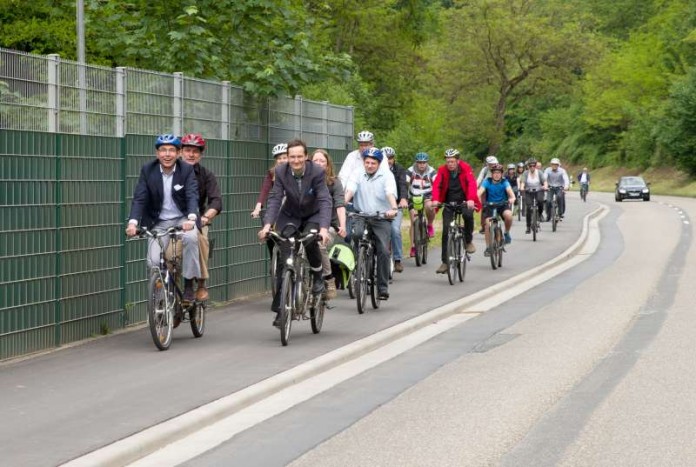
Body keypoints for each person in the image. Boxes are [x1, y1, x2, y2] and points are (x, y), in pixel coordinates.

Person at [258, 139, 332, 327]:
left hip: (313, 215)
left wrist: (323, 228)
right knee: (286, 258)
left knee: (310, 241)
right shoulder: (281, 172)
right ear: (287, 158)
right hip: (289, 215)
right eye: (292, 157)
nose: (296, 160)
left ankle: (317, 278)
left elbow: (324, 200)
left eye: (300, 156)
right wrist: (267, 225)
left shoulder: (316, 171)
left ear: (306, 157)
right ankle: (282, 310)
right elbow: (275, 199)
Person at [125, 134, 201, 302]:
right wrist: (133, 223)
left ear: (179, 153)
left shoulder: (186, 170)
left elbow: (192, 195)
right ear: (157, 153)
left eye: (172, 150)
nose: (167, 154)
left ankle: (189, 284)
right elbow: (139, 198)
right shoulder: (148, 170)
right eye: (163, 150)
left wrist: (191, 218)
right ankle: (162, 298)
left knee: (191, 238)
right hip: (159, 222)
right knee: (153, 262)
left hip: (183, 219)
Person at [344, 147, 399, 300]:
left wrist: (393, 208)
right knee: (356, 235)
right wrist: (343, 203)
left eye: (373, 163)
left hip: (381, 216)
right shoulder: (357, 173)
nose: (369, 165)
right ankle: (359, 265)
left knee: (383, 249)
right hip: (361, 214)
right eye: (367, 162)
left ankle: (382, 287)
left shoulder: (386, 175)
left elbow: (389, 193)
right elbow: (350, 190)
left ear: (379, 163)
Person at [180, 133, 223, 302]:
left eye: (195, 151)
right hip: (174, 220)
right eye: (188, 150)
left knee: (201, 242)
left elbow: (216, 201)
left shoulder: (206, 175)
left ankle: (199, 283)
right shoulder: (172, 173)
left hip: (197, 219)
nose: (191, 154)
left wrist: (206, 217)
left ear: (201, 154)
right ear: (180, 152)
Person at [432, 148, 481, 274]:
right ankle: (445, 262)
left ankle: (468, 241)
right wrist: (436, 200)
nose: (450, 164)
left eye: (452, 161)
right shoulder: (442, 170)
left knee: (468, 215)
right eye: (448, 161)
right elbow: (437, 185)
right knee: (446, 230)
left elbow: (471, 184)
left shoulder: (465, 168)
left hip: (464, 201)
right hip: (449, 202)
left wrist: (470, 199)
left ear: (457, 161)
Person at [311, 148, 347, 300]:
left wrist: (342, 225)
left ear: (327, 165)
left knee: (319, 244)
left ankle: (328, 278)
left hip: (329, 225)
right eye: (315, 160)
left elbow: (340, 205)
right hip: (309, 223)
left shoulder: (334, 182)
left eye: (322, 161)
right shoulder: (305, 180)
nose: (319, 163)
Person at [478, 163, 516, 255]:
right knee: (488, 224)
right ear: (492, 174)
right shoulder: (487, 181)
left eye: (498, 173)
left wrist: (512, 199)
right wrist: (478, 200)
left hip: (502, 204)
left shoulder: (504, 182)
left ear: (501, 174)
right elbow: (479, 192)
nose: (496, 174)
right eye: (494, 172)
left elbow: (511, 193)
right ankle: (488, 247)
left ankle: (506, 233)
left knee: (509, 216)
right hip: (490, 205)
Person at [383, 146, 409, 273]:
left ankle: (397, 259)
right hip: (380, 207)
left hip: (396, 205)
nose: (388, 160)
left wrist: (403, 198)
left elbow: (403, 184)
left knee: (394, 230)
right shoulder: (376, 170)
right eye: (386, 158)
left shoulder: (399, 169)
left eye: (391, 158)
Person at [407, 152, 437, 255]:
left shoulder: (432, 171)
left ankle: (429, 224)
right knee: (413, 220)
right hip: (413, 197)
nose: (422, 165)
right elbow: (405, 182)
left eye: (424, 163)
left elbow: (437, 183)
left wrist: (437, 198)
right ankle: (413, 247)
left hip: (427, 196)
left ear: (427, 163)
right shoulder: (410, 171)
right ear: (416, 162)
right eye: (419, 162)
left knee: (430, 207)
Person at [251, 143, 288, 219]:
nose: (282, 160)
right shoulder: (272, 172)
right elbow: (264, 190)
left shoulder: (296, 171)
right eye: (279, 158)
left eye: (284, 158)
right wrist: (258, 207)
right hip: (278, 205)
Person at [518, 158, 548, 234]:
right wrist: (522, 187)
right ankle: (528, 226)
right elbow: (523, 182)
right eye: (530, 166)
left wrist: (545, 186)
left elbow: (544, 181)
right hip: (528, 191)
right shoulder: (525, 173)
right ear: (528, 166)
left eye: (533, 166)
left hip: (539, 190)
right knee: (528, 208)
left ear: (535, 166)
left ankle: (540, 214)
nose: (532, 167)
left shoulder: (539, 173)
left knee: (541, 201)